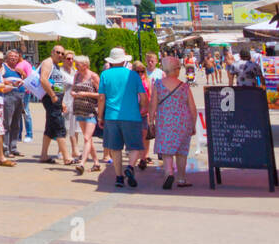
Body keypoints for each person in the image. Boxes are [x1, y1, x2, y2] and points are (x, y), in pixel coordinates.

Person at [96, 47, 147, 189]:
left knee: (115, 148)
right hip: (132, 116)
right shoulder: (133, 75)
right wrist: (143, 108)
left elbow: (101, 98)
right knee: (135, 146)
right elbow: (143, 97)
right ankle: (130, 167)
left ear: (111, 61)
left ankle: (119, 177)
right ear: (124, 60)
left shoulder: (105, 75)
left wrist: (100, 116)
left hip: (111, 116)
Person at [150, 55, 198, 189]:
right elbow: (193, 108)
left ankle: (169, 172)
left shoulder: (158, 84)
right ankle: (182, 179)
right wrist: (193, 125)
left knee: (167, 150)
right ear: (176, 70)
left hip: (165, 121)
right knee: (182, 152)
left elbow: (152, 105)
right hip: (183, 122)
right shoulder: (184, 86)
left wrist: (150, 123)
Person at [33, 44, 70, 164]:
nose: (60, 55)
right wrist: (53, 96)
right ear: (52, 52)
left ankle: (44, 155)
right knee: (59, 125)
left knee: (50, 127)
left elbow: (57, 84)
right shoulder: (48, 62)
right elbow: (43, 79)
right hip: (50, 98)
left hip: (56, 99)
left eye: (62, 53)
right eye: (58, 52)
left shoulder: (56, 66)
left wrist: (62, 101)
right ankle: (66, 157)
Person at [70, 56, 102, 174]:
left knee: (87, 138)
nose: (76, 66)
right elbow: (73, 88)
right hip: (79, 109)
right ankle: (96, 163)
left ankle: (82, 163)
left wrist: (85, 94)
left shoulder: (93, 76)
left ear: (85, 65)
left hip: (91, 111)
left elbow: (101, 94)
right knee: (88, 139)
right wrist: (73, 93)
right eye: (75, 64)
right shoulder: (77, 75)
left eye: (78, 64)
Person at [1, 48, 29, 158]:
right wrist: (10, 82)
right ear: (7, 57)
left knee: (16, 124)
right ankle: (5, 148)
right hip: (8, 96)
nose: (13, 58)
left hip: (20, 96)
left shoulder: (18, 70)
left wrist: (23, 75)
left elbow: (26, 80)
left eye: (16, 57)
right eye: (11, 56)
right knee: (7, 123)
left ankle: (13, 147)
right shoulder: (3, 67)